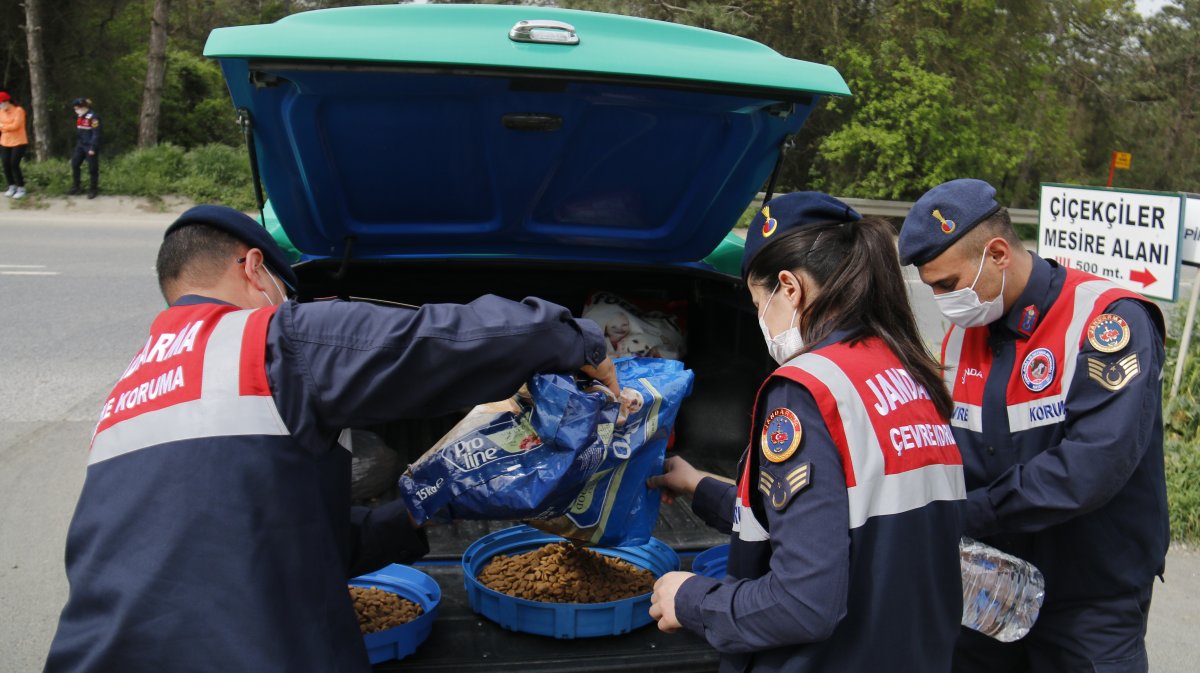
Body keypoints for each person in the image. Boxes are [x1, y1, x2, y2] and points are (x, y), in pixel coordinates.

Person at [44, 205, 617, 673]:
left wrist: (417, 511)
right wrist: (575, 340)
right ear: (252, 269)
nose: (287, 306)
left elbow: (267, 539)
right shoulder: (266, 336)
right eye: (284, 290)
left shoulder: (128, 390)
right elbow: (436, 341)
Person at [647, 192, 966, 672]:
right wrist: (698, 486)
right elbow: (843, 517)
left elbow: (804, 603)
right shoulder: (905, 370)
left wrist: (691, 598)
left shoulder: (809, 390)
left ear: (789, 288)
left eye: (759, 303)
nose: (762, 321)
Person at [898, 179, 1168, 673]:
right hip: (990, 586)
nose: (941, 301)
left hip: (1090, 598)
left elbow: (1092, 465)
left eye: (948, 285)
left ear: (997, 253)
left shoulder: (1106, 320)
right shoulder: (963, 334)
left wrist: (970, 513)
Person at [68, 97, 100, 199]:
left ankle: (93, 189)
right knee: (75, 164)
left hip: (90, 146)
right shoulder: (80, 117)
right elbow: (80, 133)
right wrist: (78, 145)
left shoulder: (94, 117)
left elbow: (96, 134)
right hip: (80, 145)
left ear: (83, 107)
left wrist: (93, 148)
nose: (75, 110)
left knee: (92, 168)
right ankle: (76, 187)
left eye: (77, 108)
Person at [0, 91, 28, 199]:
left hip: (19, 142)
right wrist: (6, 126)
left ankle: (21, 188)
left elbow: (15, 126)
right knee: (6, 164)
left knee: (14, 164)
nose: (0, 105)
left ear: (7, 101)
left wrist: (3, 126)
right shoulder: (1, 111)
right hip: (4, 141)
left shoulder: (19, 110)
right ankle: (12, 186)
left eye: (1, 103)